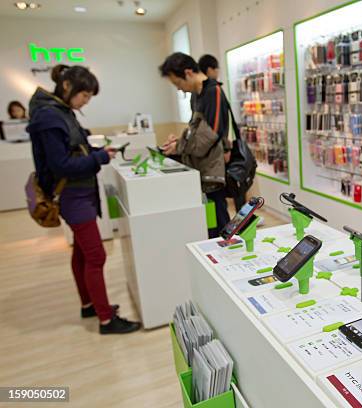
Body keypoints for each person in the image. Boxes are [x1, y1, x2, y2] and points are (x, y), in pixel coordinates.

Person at [27, 64, 141, 334]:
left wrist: (97, 151)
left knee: (81, 252)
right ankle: (105, 319)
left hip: (80, 193)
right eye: (85, 96)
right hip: (73, 195)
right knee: (95, 255)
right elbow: (62, 165)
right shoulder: (49, 117)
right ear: (68, 87)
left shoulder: (60, 112)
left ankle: (89, 304)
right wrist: (100, 157)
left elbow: (75, 149)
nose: (85, 102)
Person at [158, 52, 231, 237]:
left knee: (219, 223)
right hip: (201, 168)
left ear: (188, 73)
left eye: (178, 83)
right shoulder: (196, 95)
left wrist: (180, 145)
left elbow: (209, 136)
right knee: (209, 223)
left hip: (212, 171)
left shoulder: (213, 92)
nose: (180, 89)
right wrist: (178, 142)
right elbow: (194, 129)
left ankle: (228, 262)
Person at [197, 54, 247, 211]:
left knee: (226, 189)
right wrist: (225, 149)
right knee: (234, 183)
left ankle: (241, 220)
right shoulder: (213, 90)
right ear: (210, 69)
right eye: (217, 69)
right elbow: (217, 126)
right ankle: (242, 220)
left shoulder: (204, 91)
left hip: (211, 152)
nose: (218, 73)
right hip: (218, 151)